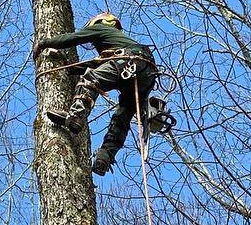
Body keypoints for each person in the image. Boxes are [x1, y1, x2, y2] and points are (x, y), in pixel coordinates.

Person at [39, 12, 173, 175]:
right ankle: (105, 156)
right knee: (122, 117)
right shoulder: (116, 45)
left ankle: (76, 116)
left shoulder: (101, 29)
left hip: (129, 62)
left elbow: (74, 38)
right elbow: (94, 64)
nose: (95, 46)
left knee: (91, 78)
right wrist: (70, 68)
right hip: (144, 74)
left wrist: (44, 43)